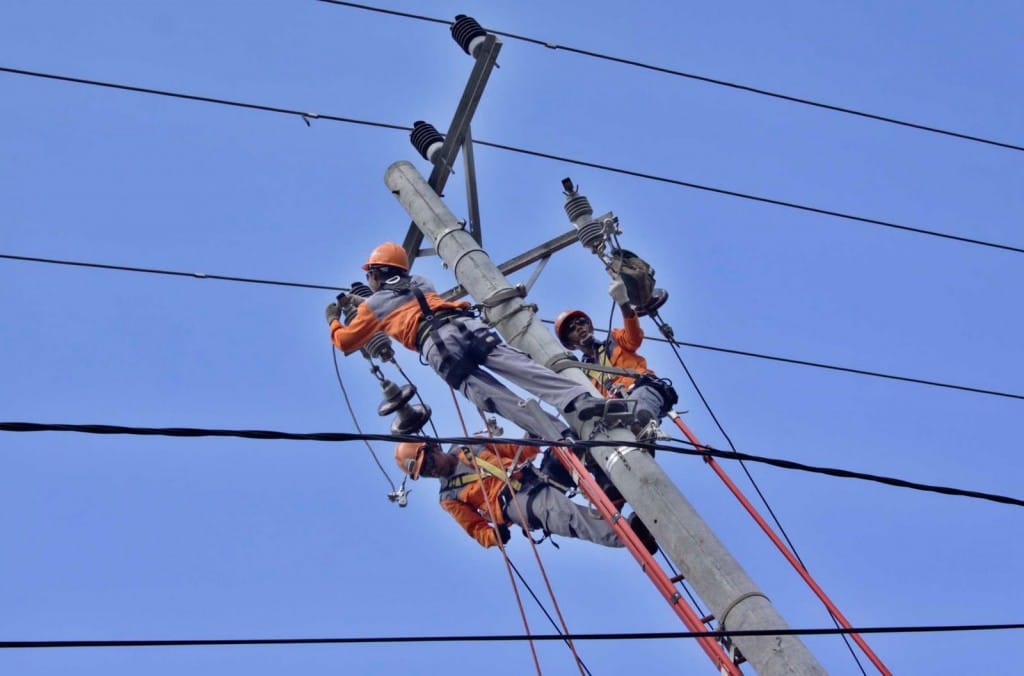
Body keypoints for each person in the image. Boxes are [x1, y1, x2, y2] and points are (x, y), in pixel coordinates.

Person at [326, 242, 614, 438]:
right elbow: (398, 293)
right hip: (467, 327)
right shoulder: (422, 282)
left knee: (497, 398)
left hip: (440, 348)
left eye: (371, 274)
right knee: (522, 367)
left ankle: (560, 435)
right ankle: (578, 397)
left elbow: (346, 342)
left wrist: (334, 319)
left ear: (376, 273)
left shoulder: (373, 306)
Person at [394, 439, 657, 553]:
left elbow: (510, 448)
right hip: (518, 504)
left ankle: (610, 486)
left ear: (432, 447)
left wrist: (533, 440)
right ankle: (633, 537)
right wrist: (493, 536)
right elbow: (475, 528)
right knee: (568, 517)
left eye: (428, 462)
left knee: (568, 448)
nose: (431, 469)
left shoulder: (468, 444)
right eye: (425, 472)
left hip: (532, 475)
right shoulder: (448, 496)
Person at [554, 276, 678, 441]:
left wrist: (623, 302)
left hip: (641, 390)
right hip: (615, 411)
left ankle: (645, 429)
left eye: (581, 322)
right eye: (572, 328)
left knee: (640, 409)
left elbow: (634, 337)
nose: (579, 327)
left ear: (589, 325)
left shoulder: (614, 339)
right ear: (569, 343)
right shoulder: (581, 375)